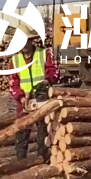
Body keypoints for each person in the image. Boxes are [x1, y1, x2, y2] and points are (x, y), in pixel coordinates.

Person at [9, 24, 59, 161]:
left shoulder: (44, 54)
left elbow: (54, 72)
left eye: (26, 41)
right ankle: (21, 163)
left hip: (42, 99)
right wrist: (21, 98)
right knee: (21, 134)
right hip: (24, 103)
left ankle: (43, 160)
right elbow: (13, 83)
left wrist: (47, 80)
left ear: (31, 41)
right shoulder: (14, 60)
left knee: (43, 132)